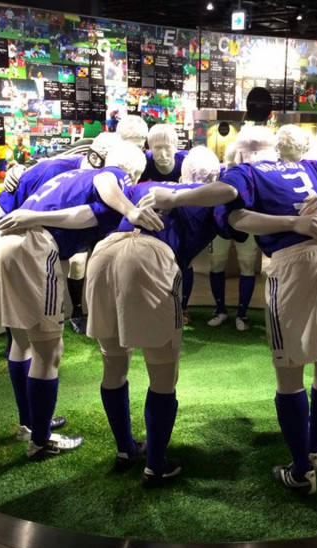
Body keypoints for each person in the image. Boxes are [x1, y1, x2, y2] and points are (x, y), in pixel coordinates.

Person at [146, 126, 317, 495]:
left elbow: (231, 203)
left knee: (289, 370)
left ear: (240, 153)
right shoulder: (310, 166)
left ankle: (301, 471)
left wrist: (176, 198)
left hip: (296, 259)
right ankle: (313, 450)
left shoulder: (246, 171)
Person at [0, 141, 149, 459]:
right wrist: (131, 209)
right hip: (30, 245)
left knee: (21, 341)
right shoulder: (115, 176)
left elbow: (86, 214)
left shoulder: (71, 176)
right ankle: (41, 441)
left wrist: (36, 216)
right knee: (49, 350)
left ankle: (31, 423)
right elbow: (107, 181)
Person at [85, 146, 224, 486]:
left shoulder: (141, 186)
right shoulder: (211, 195)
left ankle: (125, 449)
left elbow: (103, 181)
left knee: (113, 363)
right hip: (150, 259)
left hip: (103, 254)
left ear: (182, 172)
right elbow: (231, 201)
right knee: (163, 373)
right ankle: (155, 464)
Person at [139, 123, 196, 324]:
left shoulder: (187, 163)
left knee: (185, 262)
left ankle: (183, 307)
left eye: (168, 147)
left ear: (177, 146)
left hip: (182, 219)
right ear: (149, 148)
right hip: (152, 221)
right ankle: (153, 305)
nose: (163, 154)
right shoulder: (144, 163)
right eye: (157, 148)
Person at [206, 142, 260, 331]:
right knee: (216, 264)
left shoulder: (253, 173)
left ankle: (242, 313)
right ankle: (220, 309)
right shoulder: (219, 172)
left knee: (247, 265)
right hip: (220, 222)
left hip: (247, 223)